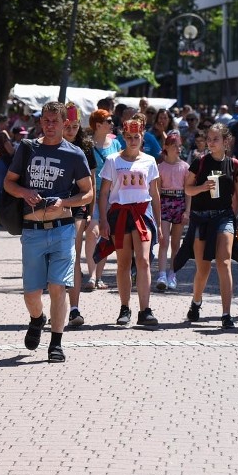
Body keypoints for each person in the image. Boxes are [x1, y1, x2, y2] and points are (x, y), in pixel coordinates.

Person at [3, 101, 92, 363]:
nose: (49, 125)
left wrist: (64, 202)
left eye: (55, 121)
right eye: (45, 120)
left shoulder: (75, 154)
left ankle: (56, 343)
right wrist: (25, 192)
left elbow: (88, 193)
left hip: (63, 229)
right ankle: (37, 318)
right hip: (32, 230)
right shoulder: (28, 148)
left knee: (57, 287)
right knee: (31, 293)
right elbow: (9, 183)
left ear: (65, 123)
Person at [175, 124, 238, 329]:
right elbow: (187, 189)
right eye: (209, 138)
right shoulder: (200, 162)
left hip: (224, 216)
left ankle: (226, 314)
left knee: (224, 263)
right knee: (203, 268)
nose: (211, 142)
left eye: (215, 139)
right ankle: (196, 302)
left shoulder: (234, 164)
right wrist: (202, 187)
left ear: (226, 141)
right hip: (201, 218)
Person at [95, 118, 162, 327]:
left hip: (142, 214)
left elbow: (155, 193)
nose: (133, 141)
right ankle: (125, 308)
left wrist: (158, 223)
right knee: (123, 262)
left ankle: (145, 310)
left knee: (143, 260)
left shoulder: (150, 161)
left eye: (137, 137)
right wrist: (104, 220)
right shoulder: (113, 161)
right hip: (120, 214)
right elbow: (104, 192)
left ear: (142, 137)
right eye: (130, 137)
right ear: (124, 137)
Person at [61, 104, 96, 328]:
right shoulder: (50, 145)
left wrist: (92, 212)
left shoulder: (86, 147)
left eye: (75, 126)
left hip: (79, 205)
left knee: (73, 253)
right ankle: (54, 305)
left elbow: (92, 181)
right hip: (53, 206)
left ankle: (74, 308)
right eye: (67, 126)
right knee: (54, 255)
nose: (71, 130)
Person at [83, 110, 121, 292]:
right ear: (98, 125)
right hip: (94, 195)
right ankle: (90, 275)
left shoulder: (115, 144)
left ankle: (99, 276)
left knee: (106, 234)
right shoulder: (88, 146)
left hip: (112, 196)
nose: (112, 123)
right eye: (108, 120)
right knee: (92, 233)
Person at [155, 131, 189, 292]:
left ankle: (172, 273)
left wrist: (187, 211)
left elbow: (188, 191)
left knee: (176, 243)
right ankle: (161, 274)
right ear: (166, 147)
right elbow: (157, 191)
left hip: (180, 203)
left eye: (179, 146)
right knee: (164, 240)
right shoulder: (160, 167)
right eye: (174, 145)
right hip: (165, 203)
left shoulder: (185, 167)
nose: (178, 149)